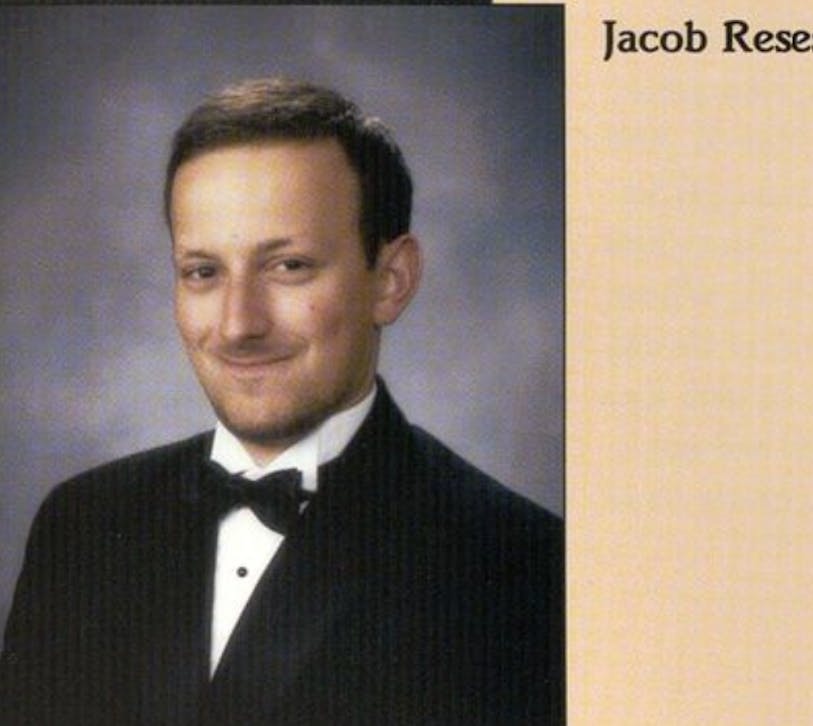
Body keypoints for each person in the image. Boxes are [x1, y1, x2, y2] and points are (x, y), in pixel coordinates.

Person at [0, 78, 563, 725]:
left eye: (288, 266)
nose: (239, 324)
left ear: (391, 280)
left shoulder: (524, 568)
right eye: (203, 272)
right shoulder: (80, 524)